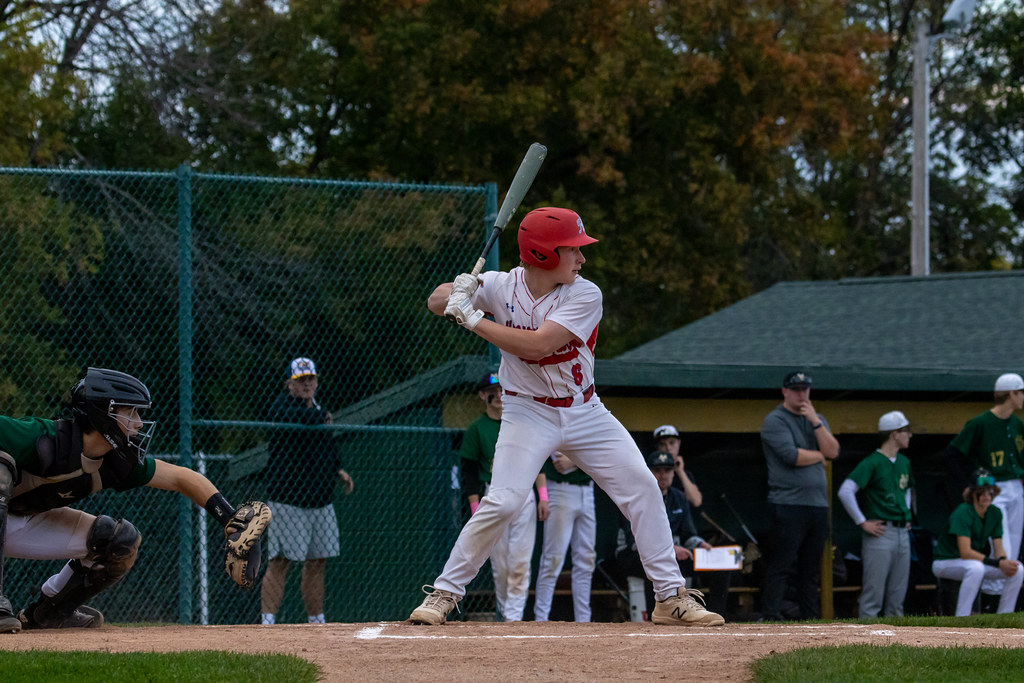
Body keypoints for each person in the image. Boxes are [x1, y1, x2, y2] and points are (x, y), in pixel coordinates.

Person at [409, 206, 724, 627]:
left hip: (585, 410)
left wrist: (472, 318)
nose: (582, 258)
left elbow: (537, 345)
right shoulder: (500, 287)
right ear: (542, 255)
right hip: (526, 412)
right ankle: (445, 593)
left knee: (644, 488)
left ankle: (669, 597)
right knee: (502, 501)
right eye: (573, 249)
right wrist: (459, 290)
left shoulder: (584, 293)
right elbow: (435, 301)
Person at [0, 367, 268, 633]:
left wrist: (230, 519)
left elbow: (180, 477)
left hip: (20, 521)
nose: (139, 423)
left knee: (119, 541)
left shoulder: (116, 462)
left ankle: (49, 614)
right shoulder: (43, 437)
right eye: (132, 413)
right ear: (103, 413)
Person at [260, 358, 353, 625]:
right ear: (289, 383)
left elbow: (325, 445)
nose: (307, 384)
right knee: (281, 560)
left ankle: (316, 619)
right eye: (301, 380)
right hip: (289, 500)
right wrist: (320, 418)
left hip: (320, 500)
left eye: (311, 379)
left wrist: (338, 470)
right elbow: (295, 418)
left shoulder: (319, 409)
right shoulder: (283, 408)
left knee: (317, 560)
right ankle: (268, 621)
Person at [460, 372, 549, 622]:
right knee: (500, 563)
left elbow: (537, 462)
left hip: (523, 492)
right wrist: (476, 505)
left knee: (520, 559)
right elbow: (468, 471)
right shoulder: (477, 429)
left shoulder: (518, 423)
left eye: (503, 390)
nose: (498, 395)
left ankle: (513, 619)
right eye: (492, 391)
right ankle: (506, 615)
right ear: (482, 395)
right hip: (494, 491)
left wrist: (543, 496)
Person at [760, 370, 840, 621]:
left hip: (817, 506)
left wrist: (816, 422)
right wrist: (818, 456)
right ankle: (771, 615)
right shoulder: (775, 420)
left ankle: (810, 619)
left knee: (811, 568)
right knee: (781, 565)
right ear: (785, 391)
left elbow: (834, 451)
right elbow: (792, 456)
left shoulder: (817, 419)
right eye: (796, 389)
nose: (801, 394)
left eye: (805, 389)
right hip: (787, 503)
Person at [945, 372, 1024, 595]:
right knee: (1001, 545)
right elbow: (952, 454)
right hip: (993, 488)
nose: (1023, 398)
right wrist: (969, 484)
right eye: (1021, 393)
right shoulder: (980, 423)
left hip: (1016, 486)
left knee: (1015, 545)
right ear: (1011, 394)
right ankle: (991, 595)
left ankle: (1005, 602)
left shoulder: (1016, 423)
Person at [613, 451, 713, 617]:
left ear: (673, 473)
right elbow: (634, 541)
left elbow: (688, 535)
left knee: (718, 566)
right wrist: (672, 549)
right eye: (657, 470)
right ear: (649, 472)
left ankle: (717, 615)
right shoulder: (637, 496)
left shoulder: (679, 497)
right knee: (651, 565)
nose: (663, 475)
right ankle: (655, 616)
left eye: (667, 470)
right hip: (631, 555)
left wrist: (700, 544)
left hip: (669, 555)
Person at [837, 410, 915, 618]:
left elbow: (906, 490)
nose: (910, 435)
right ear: (894, 434)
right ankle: (867, 642)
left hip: (901, 532)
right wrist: (862, 522)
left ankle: (896, 645)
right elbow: (845, 491)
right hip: (880, 532)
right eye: (906, 431)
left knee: (897, 596)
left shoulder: (904, 462)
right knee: (874, 594)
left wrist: (906, 514)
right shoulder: (872, 462)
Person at [932, 469, 1024, 616]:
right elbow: (965, 552)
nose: (987, 496)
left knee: (1018, 569)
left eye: (990, 491)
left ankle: (1005, 615)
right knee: (975, 568)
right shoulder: (963, 511)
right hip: (946, 562)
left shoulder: (994, 512)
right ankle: (962, 617)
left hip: (975, 563)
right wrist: (997, 563)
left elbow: (998, 547)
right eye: (982, 491)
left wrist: (1003, 561)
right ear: (972, 493)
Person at [533, 451, 596, 622]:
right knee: (552, 559)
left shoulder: (588, 425)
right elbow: (558, 462)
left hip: (588, 491)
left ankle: (584, 620)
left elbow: (598, 450)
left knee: (586, 560)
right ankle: (541, 619)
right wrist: (578, 459)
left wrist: (575, 461)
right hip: (560, 489)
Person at [653, 425, 702, 507]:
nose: (668, 448)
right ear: (657, 447)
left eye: (672, 443)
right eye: (662, 444)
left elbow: (696, 501)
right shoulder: (650, 471)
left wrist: (680, 471)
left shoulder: (685, 474)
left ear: (679, 443)